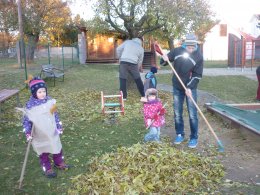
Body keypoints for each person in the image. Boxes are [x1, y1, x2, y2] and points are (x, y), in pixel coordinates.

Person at [160, 33, 203, 148]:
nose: (190, 49)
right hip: (177, 86)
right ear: (185, 45)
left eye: (192, 47)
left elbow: (198, 75)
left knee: (192, 114)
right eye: (188, 47)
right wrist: (164, 59)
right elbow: (165, 61)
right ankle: (180, 134)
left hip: (190, 88)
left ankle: (194, 137)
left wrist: (189, 87)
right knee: (177, 113)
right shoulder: (177, 51)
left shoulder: (199, 56)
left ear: (195, 45)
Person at [22, 76, 71, 178]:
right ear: (34, 92)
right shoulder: (30, 106)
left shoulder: (50, 101)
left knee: (56, 147)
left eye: (44, 91)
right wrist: (27, 132)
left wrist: (58, 126)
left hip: (51, 130)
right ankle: (47, 168)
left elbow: (55, 115)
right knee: (43, 151)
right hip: (39, 133)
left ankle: (59, 162)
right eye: (39, 92)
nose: (42, 94)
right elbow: (26, 121)